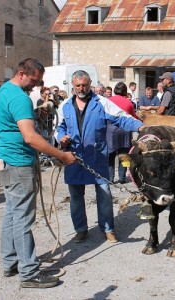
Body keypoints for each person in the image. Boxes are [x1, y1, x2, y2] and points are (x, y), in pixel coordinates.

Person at [0, 58, 77, 288]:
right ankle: (29, 273)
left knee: (12, 212)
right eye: (34, 80)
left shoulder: (4, 90)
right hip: (18, 162)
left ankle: (10, 262)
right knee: (22, 218)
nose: (36, 86)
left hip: (5, 158)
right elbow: (30, 137)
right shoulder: (19, 97)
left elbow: (18, 125)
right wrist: (61, 155)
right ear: (22, 73)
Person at [55, 70, 144, 245]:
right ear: (72, 86)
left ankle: (108, 229)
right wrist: (61, 137)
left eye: (85, 85)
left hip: (97, 157)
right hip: (74, 157)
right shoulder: (64, 106)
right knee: (76, 196)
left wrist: (140, 127)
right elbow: (59, 127)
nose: (81, 88)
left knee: (104, 194)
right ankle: (80, 230)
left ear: (90, 85)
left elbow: (121, 118)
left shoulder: (102, 103)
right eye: (78, 85)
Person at [108, 82, 140, 184]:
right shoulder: (128, 103)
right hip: (125, 131)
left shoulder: (108, 101)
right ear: (125, 91)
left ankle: (110, 178)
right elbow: (133, 117)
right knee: (124, 154)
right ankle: (122, 177)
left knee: (110, 155)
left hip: (110, 131)